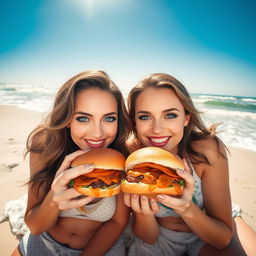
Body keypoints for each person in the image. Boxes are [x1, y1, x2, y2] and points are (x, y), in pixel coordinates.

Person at [124, 73, 248, 255]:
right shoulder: (132, 155)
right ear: (134, 122)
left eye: (170, 115)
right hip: (158, 237)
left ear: (186, 118)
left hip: (208, 226)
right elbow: (148, 237)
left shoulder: (207, 150)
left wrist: (186, 207)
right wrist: (143, 213)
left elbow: (222, 239)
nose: (157, 129)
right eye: (145, 117)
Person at [11, 70, 131, 256]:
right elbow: (34, 226)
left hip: (102, 250)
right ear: (67, 119)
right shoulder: (45, 145)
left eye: (109, 118)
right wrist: (53, 200)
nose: (98, 133)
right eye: (83, 118)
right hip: (44, 242)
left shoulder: (121, 156)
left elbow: (118, 222)